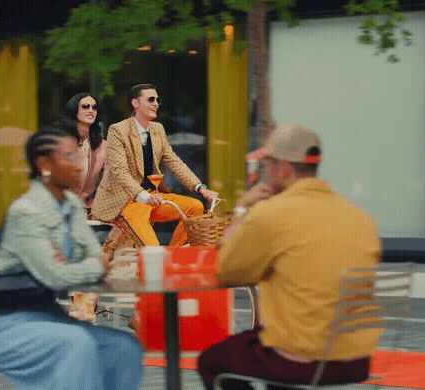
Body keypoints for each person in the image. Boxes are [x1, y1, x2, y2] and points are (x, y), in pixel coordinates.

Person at [197, 124, 383, 389]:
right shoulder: (361, 218)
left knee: (212, 361)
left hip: (301, 358)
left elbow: (226, 270)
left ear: (282, 168)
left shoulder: (271, 214)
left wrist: (241, 211)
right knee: (269, 348)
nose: (264, 173)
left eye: (266, 165)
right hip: (355, 358)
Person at [0, 128, 143, 390]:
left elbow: (93, 257)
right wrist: (92, 266)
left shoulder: (71, 206)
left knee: (125, 347)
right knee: (76, 344)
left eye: (78, 156)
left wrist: (86, 265)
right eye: (69, 157)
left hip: (49, 317)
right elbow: (59, 275)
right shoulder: (25, 213)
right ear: (43, 165)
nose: (79, 165)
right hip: (7, 326)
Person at [91, 83, 218, 247]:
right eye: (151, 99)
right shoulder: (117, 130)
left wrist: (201, 188)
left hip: (153, 197)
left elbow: (174, 162)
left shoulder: (158, 129)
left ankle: (172, 255)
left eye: (158, 100)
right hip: (126, 201)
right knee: (153, 248)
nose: (156, 103)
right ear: (135, 103)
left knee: (195, 207)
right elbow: (119, 171)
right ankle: (158, 262)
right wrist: (144, 196)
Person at [61, 93, 107, 210]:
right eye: (86, 106)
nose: (91, 110)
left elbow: (112, 178)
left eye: (94, 107)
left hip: (89, 209)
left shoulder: (102, 146)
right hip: (60, 207)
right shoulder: (61, 142)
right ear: (74, 110)